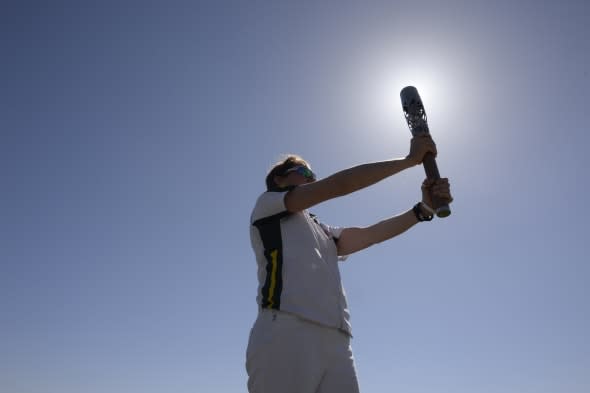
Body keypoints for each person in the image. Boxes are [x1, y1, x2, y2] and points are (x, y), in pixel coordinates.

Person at [246, 136, 453, 393]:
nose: (311, 178)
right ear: (279, 179)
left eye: (312, 173)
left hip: (338, 341)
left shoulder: (321, 230)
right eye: (302, 171)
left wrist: (423, 209)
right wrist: (409, 161)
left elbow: (370, 235)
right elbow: (339, 185)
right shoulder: (268, 204)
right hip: (287, 331)